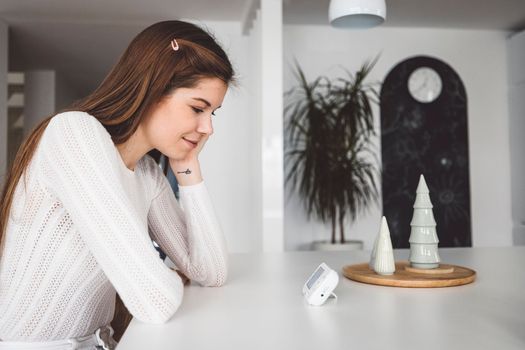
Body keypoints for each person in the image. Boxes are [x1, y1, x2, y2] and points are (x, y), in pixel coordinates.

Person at [0, 20, 233, 349]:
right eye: (198, 108)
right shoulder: (73, 135)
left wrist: (187, 166)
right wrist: (167, 276)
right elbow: (155, 301)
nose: (207, 128)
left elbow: (211, 272)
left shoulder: (147, 174)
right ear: (153, 90)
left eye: (213, 113)